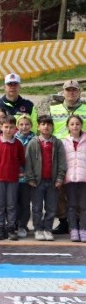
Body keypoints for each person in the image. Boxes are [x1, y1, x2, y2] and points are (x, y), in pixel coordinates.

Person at [49, 80, 86, 234]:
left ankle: (78, 221)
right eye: (68, 90)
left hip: (80, 153)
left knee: (79, 191)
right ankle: (63, 221)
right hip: (58, 154)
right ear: (63, 92)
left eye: (74, 90)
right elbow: (45, 129)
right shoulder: (53, 109)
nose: (71, 93)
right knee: (58, 189)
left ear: (79, 92)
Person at [25, 115, 66, 242]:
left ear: (52, 127)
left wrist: (60, 178)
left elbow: (62, 162)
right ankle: (38, 229)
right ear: (38, 127)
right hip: (37, 182)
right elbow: (28, 162)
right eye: (43, 124)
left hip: (53, 182)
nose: (46, 126)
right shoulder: (33, 143)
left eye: (48, 124)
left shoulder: (57, 143)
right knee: (37, 208)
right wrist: (30, 178)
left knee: (51, 208)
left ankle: (48, 229)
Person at [0, 115, 26, 241]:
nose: (8, 130)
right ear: (1, 127)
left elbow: (22, 159)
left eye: (11, 127)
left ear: (15, 129)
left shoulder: (18, 144)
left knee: (11, 204)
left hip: (13, 178)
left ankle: (11, 228)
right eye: (6, 127)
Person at [63, 115, 86, 242]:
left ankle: (83, 229)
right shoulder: (63, 142)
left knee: (84, 206)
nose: (75, 126)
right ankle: (73, 229)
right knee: (71, 205)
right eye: (72, 124)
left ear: (81, 125)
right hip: (70, 178)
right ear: (68, 126)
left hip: (84, 179)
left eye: (77, 124)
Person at [15, 114, 35, 238]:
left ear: (31, 125)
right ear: (17, 126)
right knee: (14, 203)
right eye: (21, 124)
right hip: (14, 177)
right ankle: (15, 224)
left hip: (28, 178)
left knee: (25, 203)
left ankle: (23, 225)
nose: (24, 127)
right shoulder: (13, 138)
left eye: (27, 124)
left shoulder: (35, 139)